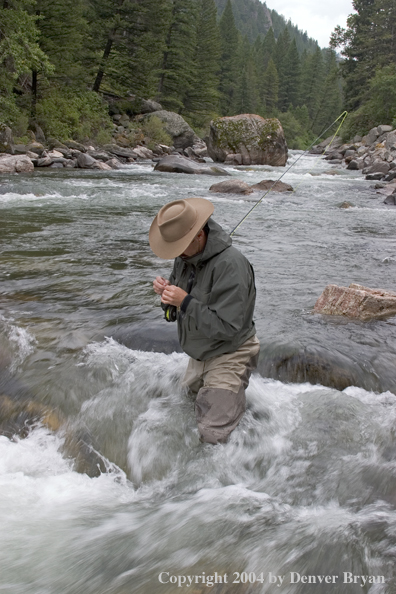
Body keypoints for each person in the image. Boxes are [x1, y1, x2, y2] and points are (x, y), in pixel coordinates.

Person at [149, 197, 260, 444]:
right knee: (183, 406)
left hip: (231, 352)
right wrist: (167, 298)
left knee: (213, 435)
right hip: (200, 354)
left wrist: (185, 301)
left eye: (180, 245)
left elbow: (229, 329)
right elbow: (173, 315)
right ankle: (231, 401)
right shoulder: (184, 258)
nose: (176, 253)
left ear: (199, 235)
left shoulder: (232, 266)